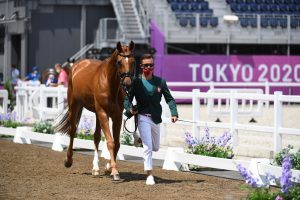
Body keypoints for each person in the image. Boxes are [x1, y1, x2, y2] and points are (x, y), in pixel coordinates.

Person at [124, 54, 178, 185]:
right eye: (146, 65)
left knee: (155, 147)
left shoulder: (160, 82)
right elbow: (127, 99)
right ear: (142, 66)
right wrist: (130, 109)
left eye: (151, 65)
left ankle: (140, 139)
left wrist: (174, 113)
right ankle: (149, 175)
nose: (149, 67)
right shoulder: (136, 82)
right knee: (148, 148)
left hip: (155, 118)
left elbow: (169, 99)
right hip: (142, 117)